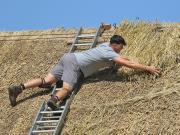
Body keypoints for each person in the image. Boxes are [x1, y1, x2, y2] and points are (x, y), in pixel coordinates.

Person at [8, 35, 161, 110]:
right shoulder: (109, 53)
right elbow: (126, 63)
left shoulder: (104, 46)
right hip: (75, 65)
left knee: (46, 81)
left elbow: (121, 58)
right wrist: (147, 68)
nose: (121, 50)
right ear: (116, 45)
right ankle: (54, 100)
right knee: (67, 88)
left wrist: (122, 57)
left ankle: (19, 88)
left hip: (68, 57)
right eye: (121, 47)